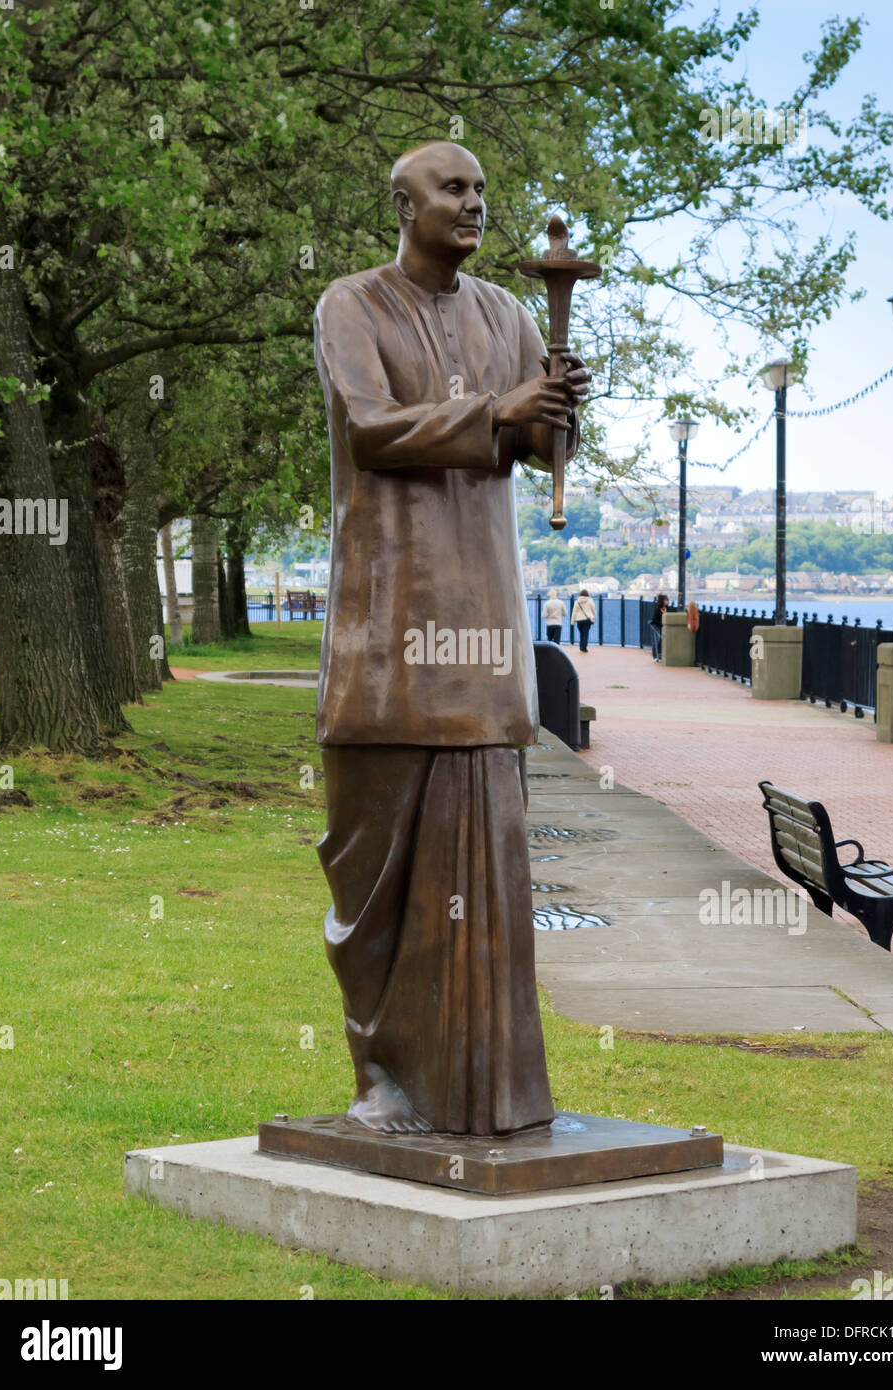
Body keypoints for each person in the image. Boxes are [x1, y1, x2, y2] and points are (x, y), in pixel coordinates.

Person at [313, 141, 591, 1136]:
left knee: (489, 872)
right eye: (453, 189)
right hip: (387, 629)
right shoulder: (351, 305)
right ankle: (382, 1077)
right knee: (373, 876)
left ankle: (489, 1088)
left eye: (481, 191)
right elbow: (370, 429)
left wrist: (556, 410)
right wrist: (499, 409)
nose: (473, 205)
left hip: (479, 629)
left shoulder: (510, 315)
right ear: (403, 203)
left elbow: (535, 444)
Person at [649, 593, 669, 662]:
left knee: (662, 638)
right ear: (662, 601)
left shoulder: (666, 608)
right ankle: (655, 656)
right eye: (666, 600)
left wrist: (664, 613)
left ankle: (660, 655)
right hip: (655, 625)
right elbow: (655, 619)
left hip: (661, 625)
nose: (667, 601)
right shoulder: (658, 608)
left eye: (667, 600)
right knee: (658, 638)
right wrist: (661, 624)